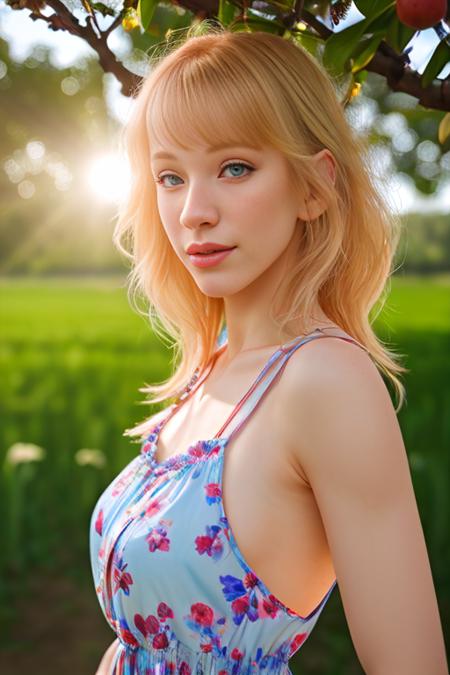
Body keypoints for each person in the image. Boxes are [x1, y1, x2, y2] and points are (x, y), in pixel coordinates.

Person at [89, 22, 448, 675]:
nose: (194, 210)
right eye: (170, 176)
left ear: (313, 187)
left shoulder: (326, 380)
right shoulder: (211, 366)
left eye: (234, 168)